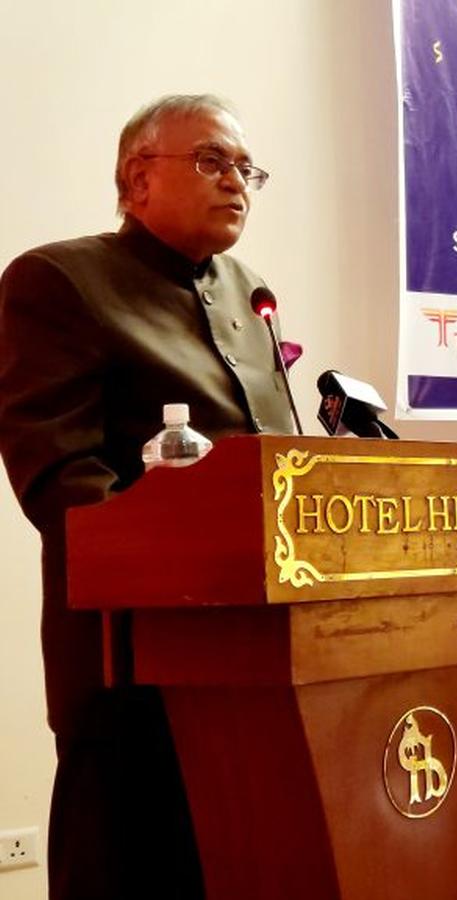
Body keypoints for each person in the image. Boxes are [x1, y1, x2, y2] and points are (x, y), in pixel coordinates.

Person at [0, 94, 295, 899]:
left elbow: (274, 465)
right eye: (211, 160)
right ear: (137, 179)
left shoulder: (249, 291)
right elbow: (58, 475)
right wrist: (177, 559)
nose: (235, 181)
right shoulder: (57, 279)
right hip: (128, 655)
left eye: (247, 169)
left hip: (258, 646)